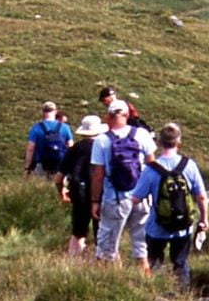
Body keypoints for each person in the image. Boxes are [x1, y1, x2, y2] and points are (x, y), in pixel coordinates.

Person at [129, 122, 209, 286]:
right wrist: (204, 219)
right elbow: (201, 196)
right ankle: (182, 294)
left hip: (156, 227)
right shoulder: (189, 165)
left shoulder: (151, 169)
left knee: (153, 261)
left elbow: (135, 198)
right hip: (184, 226)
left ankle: (153, 291)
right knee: (180, 263)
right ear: (179, 143)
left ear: (159, 143)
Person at [89, 101, 156, 266]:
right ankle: (145, 278)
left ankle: (110, 280)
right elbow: (152, 166)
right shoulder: (142, 134)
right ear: (127, 115)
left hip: (116, 198)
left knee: (107, 245)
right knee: (141, 243)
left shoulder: (102, 140)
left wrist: (95, 201)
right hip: (142, 198)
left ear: (109, 117)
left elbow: (98, 174)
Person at [64, 112, 104, 257]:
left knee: (78, 232)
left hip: (79, 194)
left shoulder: (75, 149)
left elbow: (59, 177)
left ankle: (74, 261)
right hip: (100, 194)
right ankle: (104, 264)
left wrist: (61, 191)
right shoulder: (104, 148)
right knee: (102, 232)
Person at [23, 100, 74, 204]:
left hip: (41, 164)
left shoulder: (36, 128)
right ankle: (59, 208)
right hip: (60, 165)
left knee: (39, 192)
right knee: (59, 190)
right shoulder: (64, 127)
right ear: (55, 112)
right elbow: (71, 146)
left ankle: (42, 207)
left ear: (43, 112)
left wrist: (27, 168)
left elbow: (30, 149)